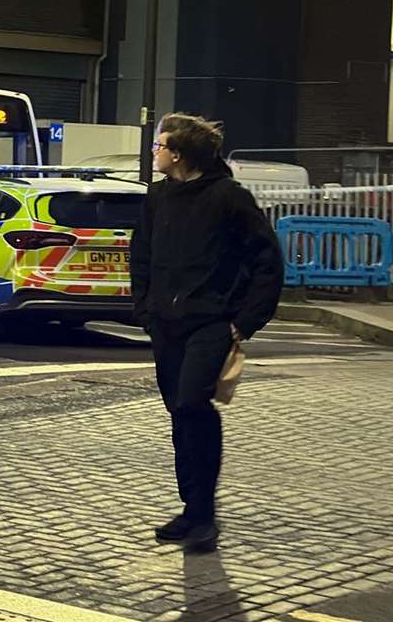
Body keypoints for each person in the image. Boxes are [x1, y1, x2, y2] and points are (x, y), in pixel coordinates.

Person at [131, 113, 283, 554]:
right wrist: (145, 307)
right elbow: (140, 253)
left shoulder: (229, 198)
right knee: (179, 413)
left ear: (178, 154)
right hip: (165, 323)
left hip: (211, 322)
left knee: (192, 403)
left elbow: (267, 261)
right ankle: (192, 510)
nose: (154, 152)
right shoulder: (157, 196)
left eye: (159, 146)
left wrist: (244, 320)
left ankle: (204, 515)